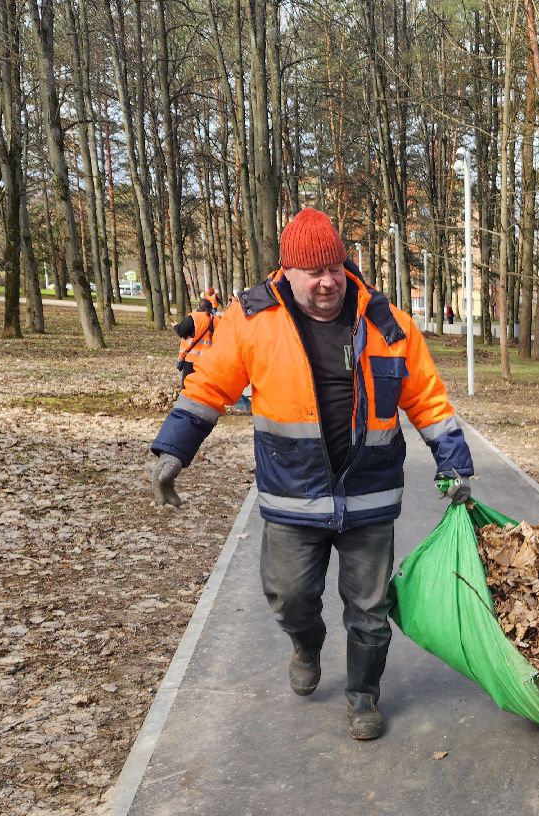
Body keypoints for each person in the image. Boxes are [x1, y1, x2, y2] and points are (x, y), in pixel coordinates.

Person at [147, 209, 475, 741]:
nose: (327, 282)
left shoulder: (385, 321)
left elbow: (428, 400)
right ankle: (306, 642)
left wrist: (454, 464)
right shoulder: (251, 320)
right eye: (313, 272)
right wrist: (174, 452)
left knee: (369, 609)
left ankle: (363, 694)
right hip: (292, 493)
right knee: (289, 594)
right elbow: (209, 388)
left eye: (335, 269)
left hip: (368, 494)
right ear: (288, 271)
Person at [174, 287, 221, 387]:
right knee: (204, 386)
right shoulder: (217, 320)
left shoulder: (193, 317)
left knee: (187, 386)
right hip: (208, 360)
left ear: (199, 307)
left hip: (191, 359)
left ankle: (188, 402)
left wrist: (175, 326)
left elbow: (182, 332)